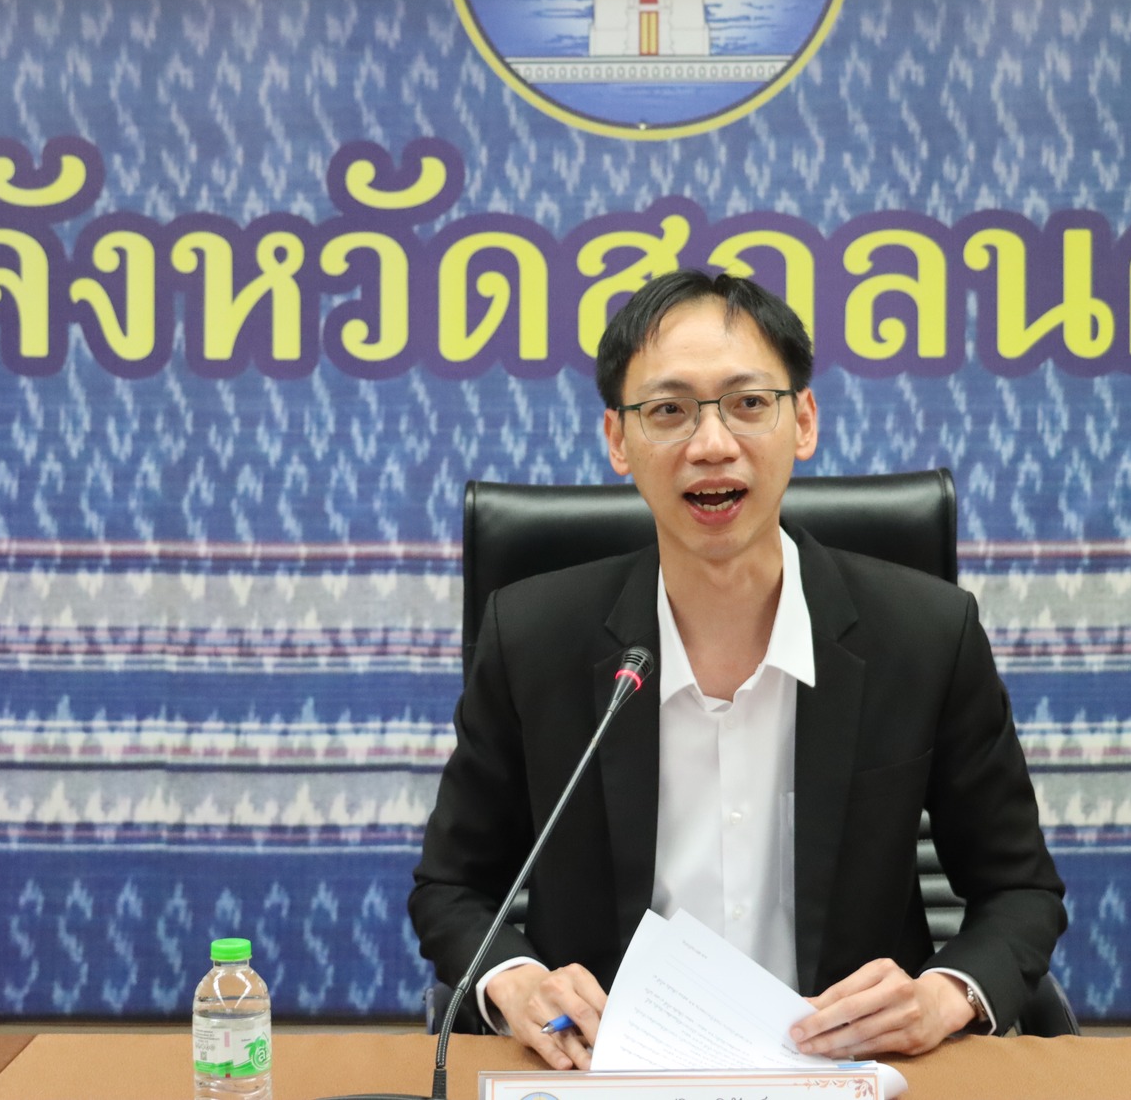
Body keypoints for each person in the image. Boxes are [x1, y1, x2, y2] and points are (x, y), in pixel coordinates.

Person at [409, 270, 1064, 1068]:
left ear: (803, 420)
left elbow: (1020, 890)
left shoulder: (924, 634)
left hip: (845, 1073)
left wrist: (943, 994)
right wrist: (514, 980)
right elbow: (451, 886)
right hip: (609, 1072)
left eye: (749, 403)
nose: (712, 444)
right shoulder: (533, 639)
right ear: (618, 439)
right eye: (669, 410)